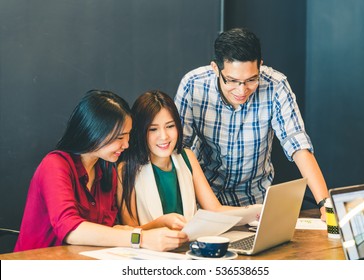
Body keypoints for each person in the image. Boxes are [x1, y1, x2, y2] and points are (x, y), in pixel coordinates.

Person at [174, 27, 329, 219]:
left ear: (260, 66)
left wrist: (325, 204)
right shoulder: (193, 85)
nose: (242, 90)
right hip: (204, 202)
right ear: (216, 68)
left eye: (251, 80)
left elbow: (297, 145)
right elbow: (179, 149)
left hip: (255, 205)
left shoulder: (275, 85)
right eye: (232, 80)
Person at [14, 90, 187, 252]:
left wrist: (160, 224)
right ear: (94, 133)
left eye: (128, 135)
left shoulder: (106, 171)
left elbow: (111, 232)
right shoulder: (55, 165)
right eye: (119, 137)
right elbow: (71, 230)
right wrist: (141, 238)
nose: (126, 145)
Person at [118, 90, 261, 229]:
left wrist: (255, 211)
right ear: (139, 131)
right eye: (153, 129)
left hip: (189, 246)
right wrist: (162, 223)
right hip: (151, 251)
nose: (164, 136)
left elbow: (215, 209)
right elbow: (131, 231)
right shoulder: (126, 169)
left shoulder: (187, 157)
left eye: (170, 126)